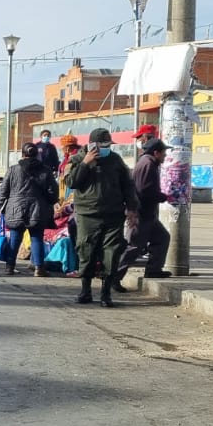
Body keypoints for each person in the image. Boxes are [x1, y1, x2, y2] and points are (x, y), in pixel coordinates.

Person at [63, 128, 138, 307]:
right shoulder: (77, 159)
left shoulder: (115, 160)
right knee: (86, 251)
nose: (106, 148)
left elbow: (128, 186)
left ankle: (106, 294)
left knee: (111, 253)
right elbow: (71, 183)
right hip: (87, 214)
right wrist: (85, 164)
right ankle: (85, 291)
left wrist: (132, 209)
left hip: (113, 214)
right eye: (102, 145)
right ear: (92, 145)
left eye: (108, 145)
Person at [0, 142, 58, 276]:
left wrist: (0, 208)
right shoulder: (45, 170)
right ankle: (39, 268)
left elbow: (3, 191)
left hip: (15, 207)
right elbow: (54, 192)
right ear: (37, 154)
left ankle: (10, 266)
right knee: (36, 238)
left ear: (22, 154)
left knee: (15, 238)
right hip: (37, 208)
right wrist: (49, 201)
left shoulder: (13, 170)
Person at [118, 137, 173, 279]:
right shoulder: (148, 165)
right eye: (163, 152)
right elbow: (144, 191)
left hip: (148, 213)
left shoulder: (147, 162)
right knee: (134, 247)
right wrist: (163, 197)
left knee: (162, 238)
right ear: (156, 152)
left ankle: (153, 270)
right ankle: (114, 277)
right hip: (142, 213)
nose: (165, 155)